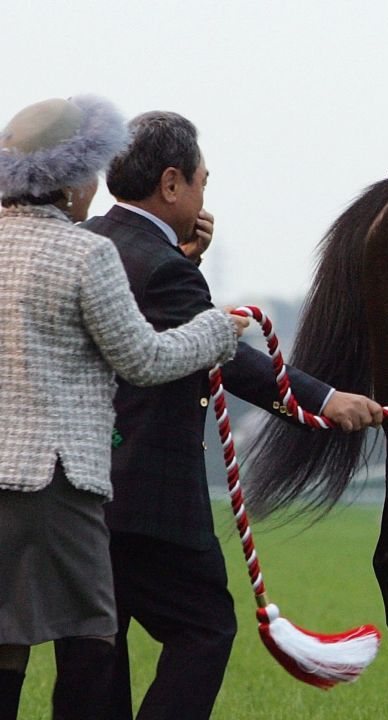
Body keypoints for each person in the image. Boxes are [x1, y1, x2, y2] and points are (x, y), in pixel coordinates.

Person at [79, 111, 383, 720]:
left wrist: (186, 261)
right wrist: (325, 399)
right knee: (204, 628)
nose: (202, 195)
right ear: (171, 185)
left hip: (84, 499)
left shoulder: (92, 242)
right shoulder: (162, 267)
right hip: (151, 498)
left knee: (94, 647)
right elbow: (228, 356)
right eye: (201, 182)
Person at [0, 96, 246, 720]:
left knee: (6, 643)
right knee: (90, 641)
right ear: (71, 177)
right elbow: (144, 359)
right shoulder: (85, 254)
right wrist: (217, 330)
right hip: (62, 483)